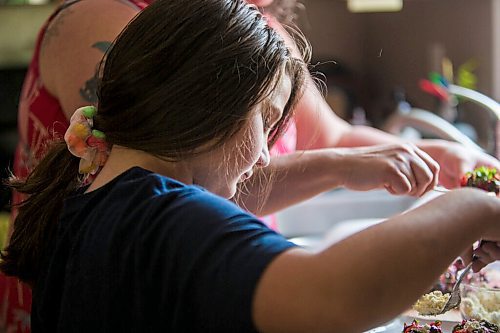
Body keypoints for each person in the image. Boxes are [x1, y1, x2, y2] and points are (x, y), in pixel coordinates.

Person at [2, 0, 500, 331]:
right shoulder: (166, 217)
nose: (266, 154)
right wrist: (473, 210)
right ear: (207, 101)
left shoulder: (94, 198)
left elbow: (335, 137)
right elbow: (334, 297)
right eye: (265, 119)